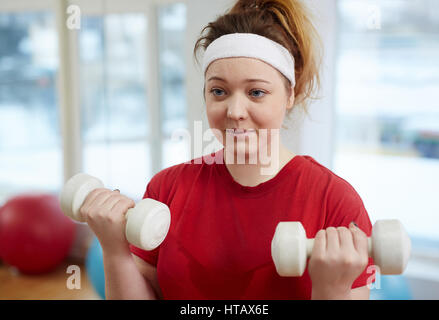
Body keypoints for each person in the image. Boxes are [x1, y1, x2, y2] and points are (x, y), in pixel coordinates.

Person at [79, 0, 375, 300]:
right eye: (218, 91)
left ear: (290, 94)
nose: (234, 111)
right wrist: (115, 251)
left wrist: (331, 290)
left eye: (256, 92)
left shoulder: (336, 203)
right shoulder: (166, 190)